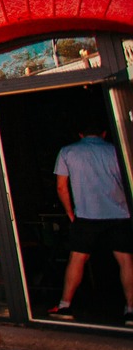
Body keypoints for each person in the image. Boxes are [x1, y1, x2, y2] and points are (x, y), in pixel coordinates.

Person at [50, 124, 133, 323]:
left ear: (80, 134)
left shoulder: (68, 152)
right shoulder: (116, 150)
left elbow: (61, 187)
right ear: (104, 133)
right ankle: (131, 309)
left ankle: (65, 305)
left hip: (86, 213)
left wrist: (70, 213)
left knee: (78, 258)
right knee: (125, 260)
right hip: (119, 212)